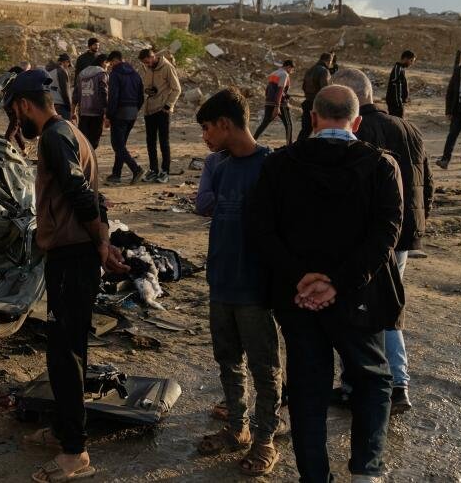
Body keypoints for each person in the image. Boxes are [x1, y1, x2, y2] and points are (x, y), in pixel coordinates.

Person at [250, 85, 404, 483]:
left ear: (313, 117)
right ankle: (366, 472)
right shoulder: (380, 165)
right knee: (372, 379)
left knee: (307, 386)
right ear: (357, 121)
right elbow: (386, 234)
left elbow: (262, 230)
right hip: (359, 297)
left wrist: (301, 278)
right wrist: (339, 283)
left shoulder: (279, 163)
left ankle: (314, 476)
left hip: (297, 297)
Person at [3, 69, 126, 483]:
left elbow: (80, 194)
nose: (17, 121)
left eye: (15, 112)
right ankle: (62, 430)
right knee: (68, 347)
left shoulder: (54, 139)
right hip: (77, 254)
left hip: (72, 259)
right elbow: (94, 196)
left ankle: (75, 451)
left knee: (64, 354)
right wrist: (103, 240)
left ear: (25, 105)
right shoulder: (72, 132)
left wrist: (101, 243)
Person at [331, 69, 433, 414]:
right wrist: (418, 225)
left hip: (371, 235)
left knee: (358, 309)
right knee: (388, 305)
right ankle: (396, 385)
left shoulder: (357, 130)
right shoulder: (409, 127)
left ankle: (357, 385)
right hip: (404, 233)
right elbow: (427, 182)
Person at [192, 88, 281, 477]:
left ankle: (265, 439)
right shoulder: (219, 166)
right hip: (222, 282)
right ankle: (237, 427)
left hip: (255, 288)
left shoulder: (272, 166)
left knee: (264, 367)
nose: (205, 137)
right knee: (227, 360)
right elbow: (206, 207)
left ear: (225, 124)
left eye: (207, 128)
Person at [139, 49, 182, 183]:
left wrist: (168, 105)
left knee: (163, 142)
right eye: (144, 63)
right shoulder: (148, 68)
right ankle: (153, 170)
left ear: (153, 57)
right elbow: (146, 86)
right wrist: (148, 90)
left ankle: (165, 171)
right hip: (149, 109)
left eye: (147, 62)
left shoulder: (167, 67)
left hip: (163, 110)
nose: (146, 65)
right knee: (150, 142)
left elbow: (177, 89)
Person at [105, 55, 144, 184]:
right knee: (121, 145)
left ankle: (136, 169)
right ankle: (116, 173)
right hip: (132, 113)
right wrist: (135, 109)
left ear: (115, 60)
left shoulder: (115, 74)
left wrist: (109, 115)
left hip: (120, 113)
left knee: (117, 145)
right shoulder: (135, 74)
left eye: (111, 63)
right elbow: (141, 96)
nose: (111, 66)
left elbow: (113, 97)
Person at [73, 51, 114, 149]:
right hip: (96, 111)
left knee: (83, 139)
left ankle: (84, 156)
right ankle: (90, 156)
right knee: (94, 140)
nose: (108, 67)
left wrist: (73, 110)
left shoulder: (82, 73)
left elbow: (76, 93)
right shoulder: (102, 73)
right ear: (104, 62)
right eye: (108, 64)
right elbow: (104, 92)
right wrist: (106, 112)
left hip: (83, 111)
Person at [253, 60, 295, 146]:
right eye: (292, 69)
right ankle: (289, 145)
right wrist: (277, 106)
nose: (292, 71)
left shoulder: (274, 73)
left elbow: (267, 90)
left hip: (269, 102)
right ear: (288, 66)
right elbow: (280, 90)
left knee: (264, 123)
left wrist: (269, 100)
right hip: (280, 103)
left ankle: (252, 141)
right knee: (288, 125)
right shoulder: (284, 74)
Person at [296, 52, 334, 142]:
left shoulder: (310, 70)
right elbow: (325, 89)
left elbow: (303, 87)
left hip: (308, 102)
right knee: (324, 130)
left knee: (305, 130)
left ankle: (297, 148)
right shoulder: (324, 71)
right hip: (319, 105)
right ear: (329, 61)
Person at [4, 62, 31, 152]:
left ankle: (23, 148)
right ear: (25, 68)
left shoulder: (10, 74)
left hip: (7, 103)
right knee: (14, 126)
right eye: (28, 69)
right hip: (16, 105)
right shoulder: (22, 76)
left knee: (15, 127)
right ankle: (4, 147)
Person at [385, 50, 415, 118]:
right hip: (395, 103)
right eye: (411, 60)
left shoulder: (401, 69)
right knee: (396, 121)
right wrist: (399, 104)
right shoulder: (397, 69)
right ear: (405, 59)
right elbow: (396, 88)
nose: (412, 63)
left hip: (397, 103)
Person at [46, 54, 75, 120]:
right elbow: (65, 92)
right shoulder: (61, 71)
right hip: (61, 106)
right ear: (66, 62)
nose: (68, 67)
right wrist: (70, 108)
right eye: (68, 65)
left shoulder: (48, 71)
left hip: (49, 106)